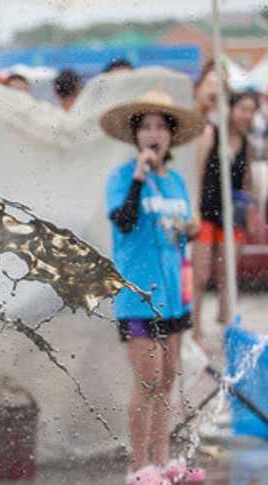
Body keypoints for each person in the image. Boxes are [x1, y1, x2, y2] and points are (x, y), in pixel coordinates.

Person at [101, 91, 206, 485]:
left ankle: (163, 462)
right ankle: (138, 467)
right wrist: (140, 176)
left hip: (173, 294)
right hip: (138, 296)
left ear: (171, 135)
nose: (153, 133)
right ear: (135, 135)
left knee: (167, 380)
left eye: (161, 126)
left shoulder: (176, 180)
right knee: (146, 381)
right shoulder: (123, 177)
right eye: (146, 126)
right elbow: (125, 222)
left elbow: (184, 226)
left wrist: (191, 229)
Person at [192, 92, 257, 347]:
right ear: (231, 109)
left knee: (227, 274)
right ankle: (196, 329)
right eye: (243, 109)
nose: (247, 115)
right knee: (200, 275)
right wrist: (196, 212)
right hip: (207, 212)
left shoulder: (246, 143)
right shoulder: (211, 134)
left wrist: (249, 212)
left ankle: (226, 323)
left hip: (234, 215)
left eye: (252, 110)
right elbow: (197, 174)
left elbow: (246, 181)